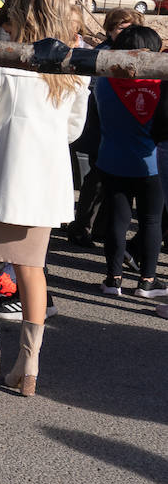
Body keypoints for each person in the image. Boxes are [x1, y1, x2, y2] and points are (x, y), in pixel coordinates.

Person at [0, 0, 89, 397]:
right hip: (44, 179)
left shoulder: (5, 59)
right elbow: (73, 130)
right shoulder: (75, 67)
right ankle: (29, 363)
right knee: (32, 269)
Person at [93, 24, 166, 301]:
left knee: (117, 221)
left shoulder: (104, 80)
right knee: (151, 221)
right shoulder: (161, 83)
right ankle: (147, 281)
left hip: (113, 158)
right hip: (152, 163)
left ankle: (113, 279)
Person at [67, 8, 144, 247]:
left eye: (130, 28)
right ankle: (81, 227)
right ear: (110, 30)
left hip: (118, 124)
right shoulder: (102, 54)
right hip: (100, 122)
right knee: (99, 175)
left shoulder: (134, 53)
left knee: (113, 178)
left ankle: (100, 228)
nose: (125, 32)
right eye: (120, 27)